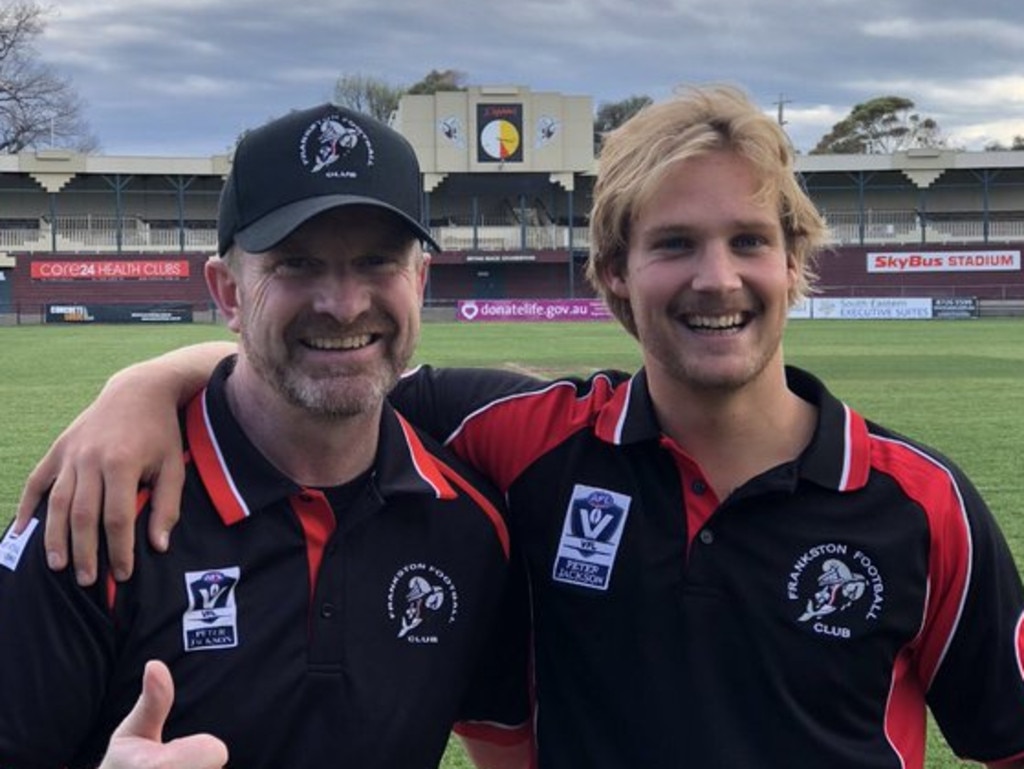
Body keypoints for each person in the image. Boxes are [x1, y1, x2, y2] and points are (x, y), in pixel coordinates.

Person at [14, 84, 1024, 768]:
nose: (715, 278)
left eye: (747, 241)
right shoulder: (528, 445)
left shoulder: (919, 501)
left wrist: (144, 377)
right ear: (613, 276)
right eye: (673, 242)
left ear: (794, 261)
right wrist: (141, 386)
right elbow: (317, 384)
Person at [0, 103, 532, 769]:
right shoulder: (94, 512)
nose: (343, 303)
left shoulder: (472, 525)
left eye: (377, 261)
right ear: (227, 292)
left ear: (420, 281)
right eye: (297, 264)